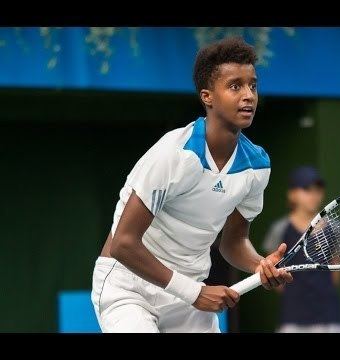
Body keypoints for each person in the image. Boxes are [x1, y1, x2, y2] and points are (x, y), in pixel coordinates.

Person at [91, 37, 292, 333]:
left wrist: (260, 265)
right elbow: (123, 243)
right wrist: (194, 292)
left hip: (188, 295)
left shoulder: (257, 166)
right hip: (129, 287)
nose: (248, 95)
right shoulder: (173, 154)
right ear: (207, 96)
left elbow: (233, 242)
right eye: (235, 86)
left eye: (253, 85)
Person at [263, 166, 340, 333]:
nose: (313, 195)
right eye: (306, 189)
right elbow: (271, 271)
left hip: (330, 317)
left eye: (318, 190)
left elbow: (336, 273)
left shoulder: (335, 228)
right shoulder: (280, 229)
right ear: (292, 194)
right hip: (292, 317)